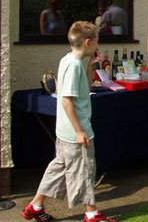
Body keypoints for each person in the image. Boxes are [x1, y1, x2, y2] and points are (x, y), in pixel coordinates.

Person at [21, 21, 118, 222]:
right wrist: (79, 131)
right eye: (97, 41)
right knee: (85, 169)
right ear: (88, 41)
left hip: (64, 131)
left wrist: (91, 66)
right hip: (75, 131)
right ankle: (92, 215)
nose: (98, 45)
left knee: (59, 168)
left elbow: (85, 88)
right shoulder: (73, 65)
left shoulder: (70, 60)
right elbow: (66, 101)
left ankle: (35, 206)